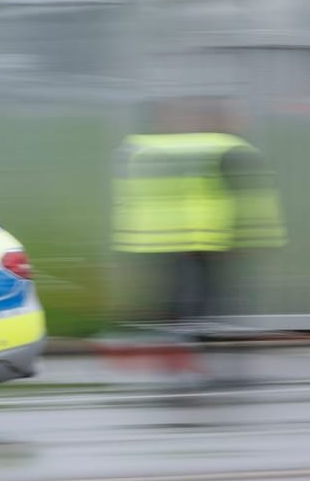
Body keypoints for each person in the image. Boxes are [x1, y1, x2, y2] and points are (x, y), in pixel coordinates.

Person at [112, 96, 286, 336]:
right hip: (204, 236)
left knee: (174, 292)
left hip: (153, 236)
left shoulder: (142, 146)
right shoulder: (224, 147)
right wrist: (253, 238)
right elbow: (246, 198)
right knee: (207, 296)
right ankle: (199, 339)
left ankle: (176, 338)